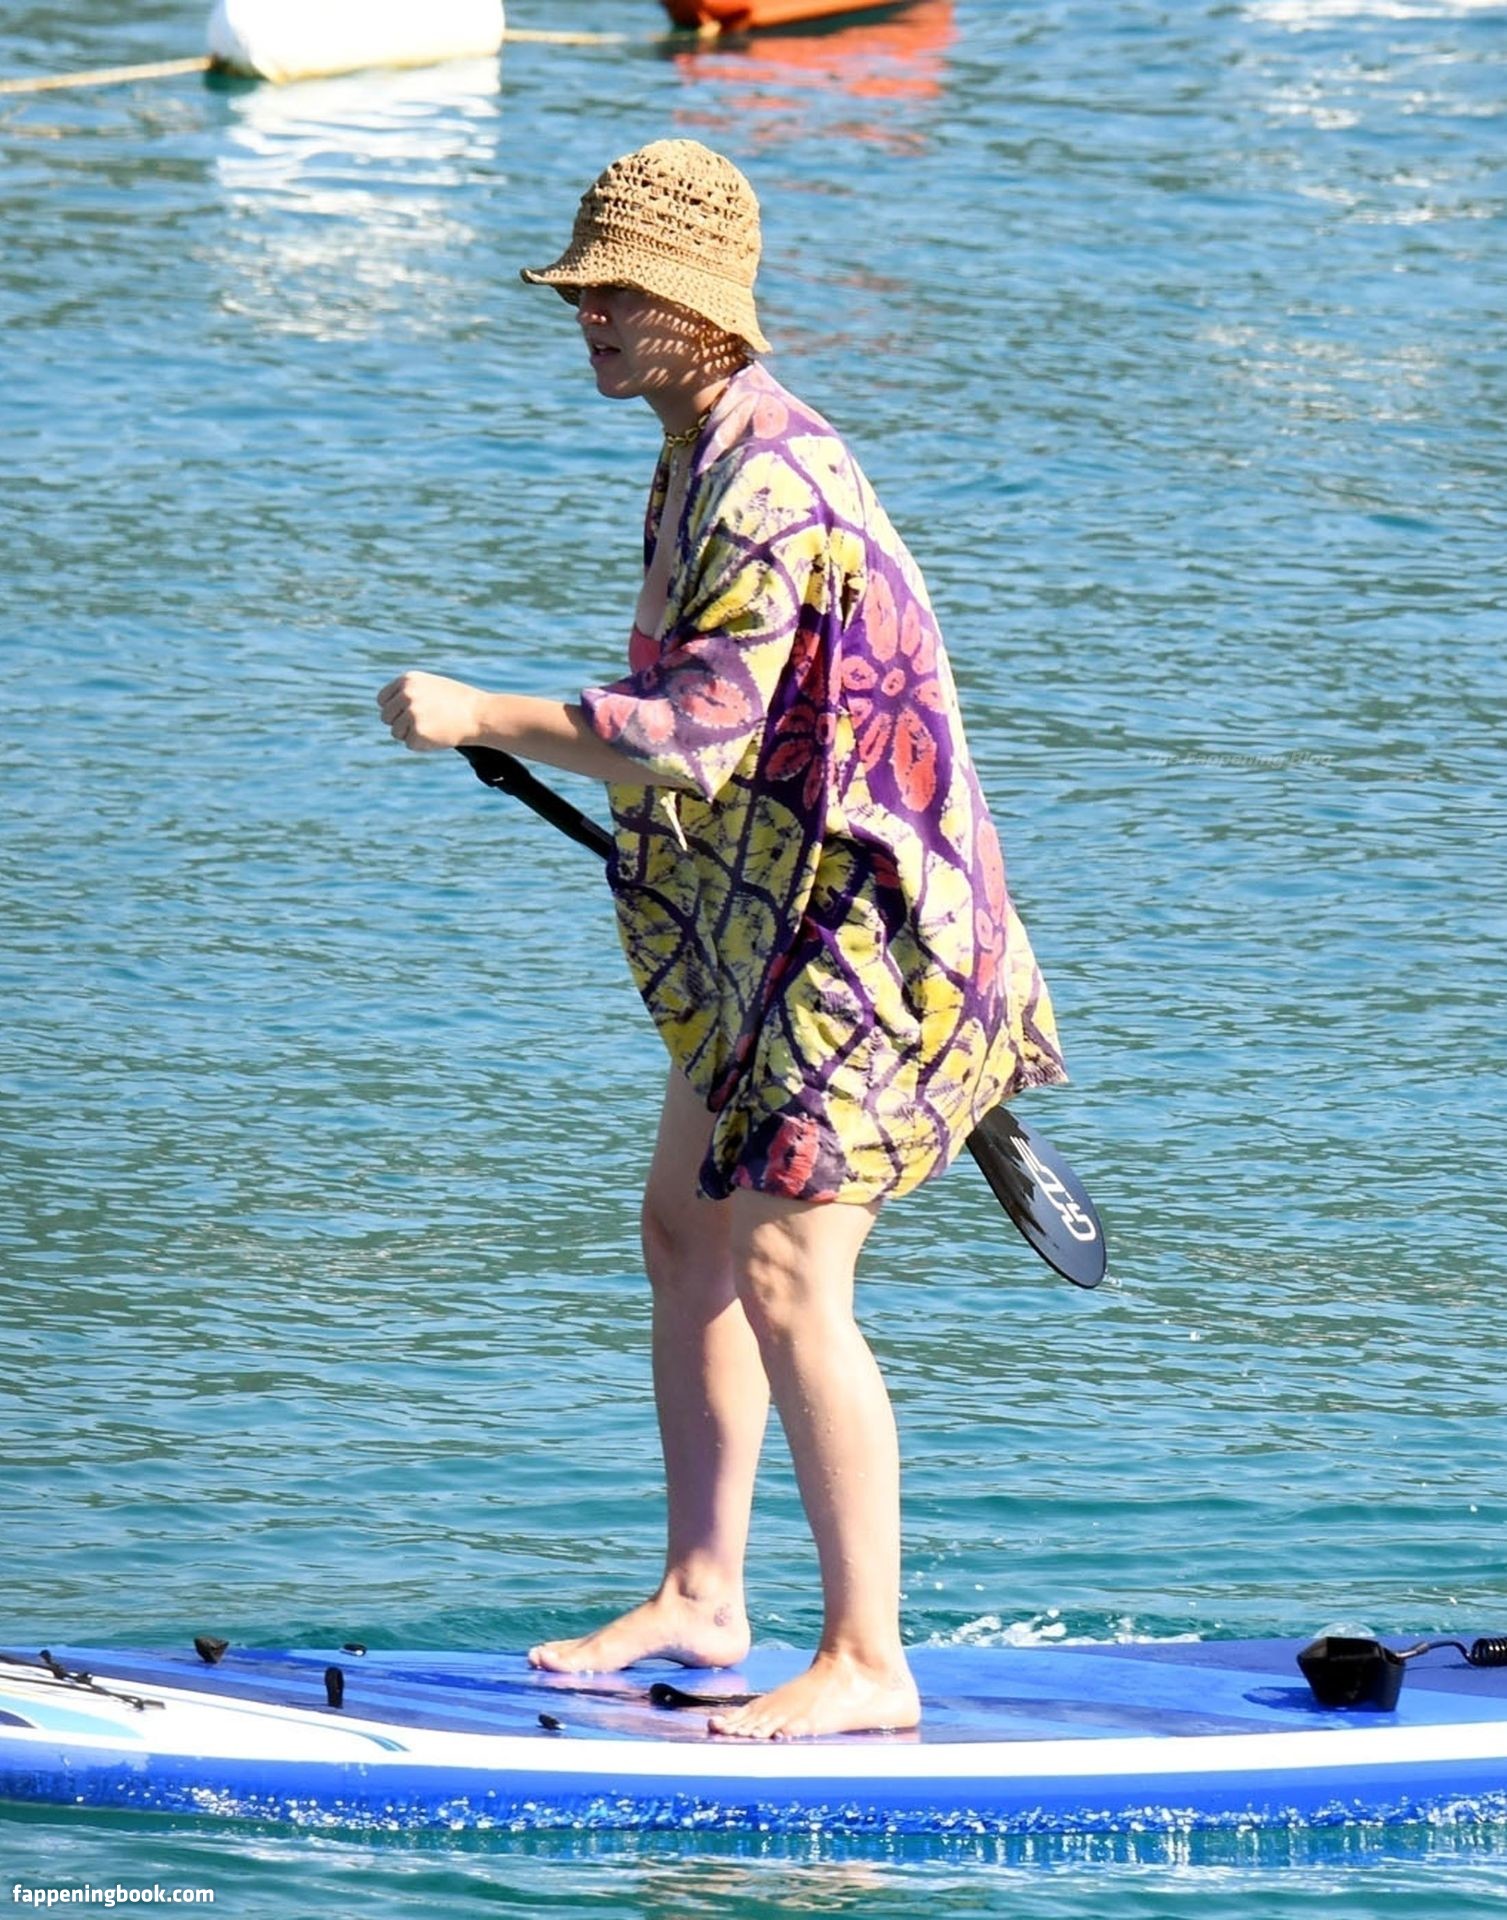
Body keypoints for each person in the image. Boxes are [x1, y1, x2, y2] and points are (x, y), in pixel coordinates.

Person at [377, 139, 1067, 1740]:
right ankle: (703, 1594)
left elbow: (695, 732)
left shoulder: (767, 481)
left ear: (702, 307)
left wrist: (483, 711)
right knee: (685, 1229)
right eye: (583, 292)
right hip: (770, 930)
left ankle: (869, 1662)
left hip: (868, 940)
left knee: (782, 1264)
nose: (593, 317)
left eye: (621, 295)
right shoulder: (697, 448)